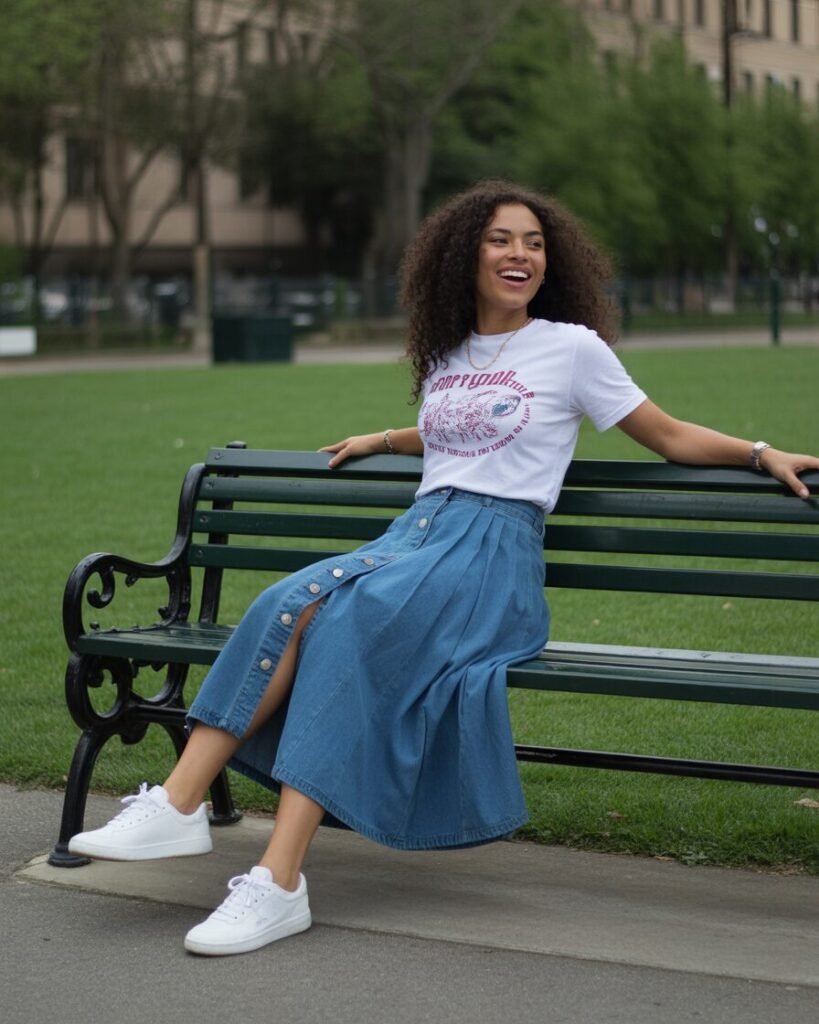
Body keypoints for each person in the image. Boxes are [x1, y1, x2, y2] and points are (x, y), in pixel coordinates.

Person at [68, 180, 819, 957]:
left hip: (491, 563)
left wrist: (760, 454)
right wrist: (386, 438)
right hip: (416, 539)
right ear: (465, 254)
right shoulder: (450, 355)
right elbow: (462, 428)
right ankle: (180, 805)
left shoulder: (571, 349)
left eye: (532, 241)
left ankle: (277, 881)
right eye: (500, 239)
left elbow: (665, 435)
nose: (519, 253)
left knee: (348, 625)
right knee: (287, 603)